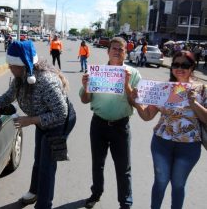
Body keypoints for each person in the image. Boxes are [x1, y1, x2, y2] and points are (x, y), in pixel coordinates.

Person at [0, 40, 76, 209]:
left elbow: (60, 113)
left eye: (11, 65)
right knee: (39, 158)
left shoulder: (46, 81)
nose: (9, 68)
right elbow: (9, 96)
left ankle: (44, 205)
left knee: (47, 166)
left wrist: (30, 121)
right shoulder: (20, 77)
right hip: (42, 121)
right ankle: (35, 192)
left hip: (59, 122)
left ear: (23, 66)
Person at [129, 50, 207, 209]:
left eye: (184, 65)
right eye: (176, 64)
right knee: (161, 181)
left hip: (189, 146)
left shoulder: (202, 89)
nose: (180, 68)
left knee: (178, 185)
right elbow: (147, 116)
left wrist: (194, 103)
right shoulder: (164, 88)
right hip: (161, 143)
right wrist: (136, 101)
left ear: (192, 67)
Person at [80, 37, 141, 209]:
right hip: (98, 125)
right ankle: (96, 193)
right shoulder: (96, 72)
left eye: (120, 49)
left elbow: (135, 102)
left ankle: (125, 202)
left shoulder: (133, 73)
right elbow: (85, 100)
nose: (116, 51)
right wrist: (86, 86)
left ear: (125, 53)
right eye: (113, 48)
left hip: (121, 126)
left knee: (123, 167)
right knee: (97, 163)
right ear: (108, 51)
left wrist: (127, 84)